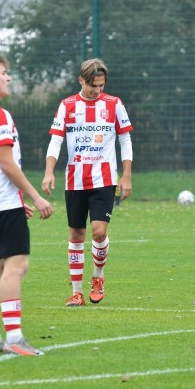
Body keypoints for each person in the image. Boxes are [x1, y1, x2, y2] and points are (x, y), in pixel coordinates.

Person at [0, 53, 53, 356]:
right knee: (17, 266)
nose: (9, 77)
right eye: (4, 73)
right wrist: (35, 195)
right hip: (2, 202)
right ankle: (14, 338)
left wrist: (18, 200)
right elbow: (5, 163)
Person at [42, 58, 133, 307]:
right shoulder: (67, 105)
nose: (97, 90)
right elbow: (56, 140)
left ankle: (98, 277)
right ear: (81, 80)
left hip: (104, 179)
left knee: (99, 231)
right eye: (93, 85)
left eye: (102, 85)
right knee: (76, 234)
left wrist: (126, 176)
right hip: (74, 180)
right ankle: (76, 292)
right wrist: (49, 172)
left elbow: (125, 140)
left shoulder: (114, 105)